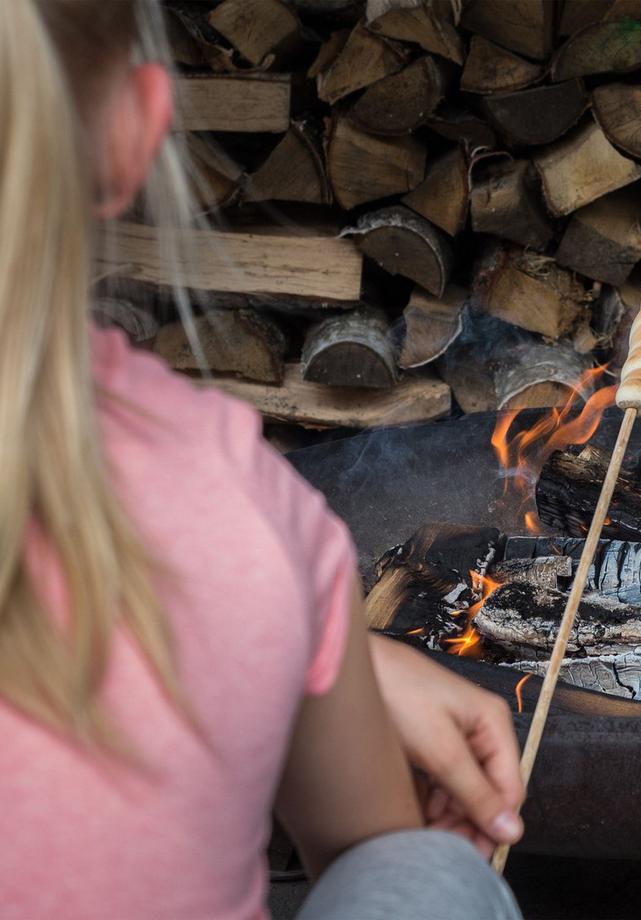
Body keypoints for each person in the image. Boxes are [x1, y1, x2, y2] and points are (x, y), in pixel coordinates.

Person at [0, 2, 524, 918]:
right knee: (430, 881)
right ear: (134, 133)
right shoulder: (234, 506)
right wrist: (311, 654)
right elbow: (373, 848)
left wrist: (324, 658)